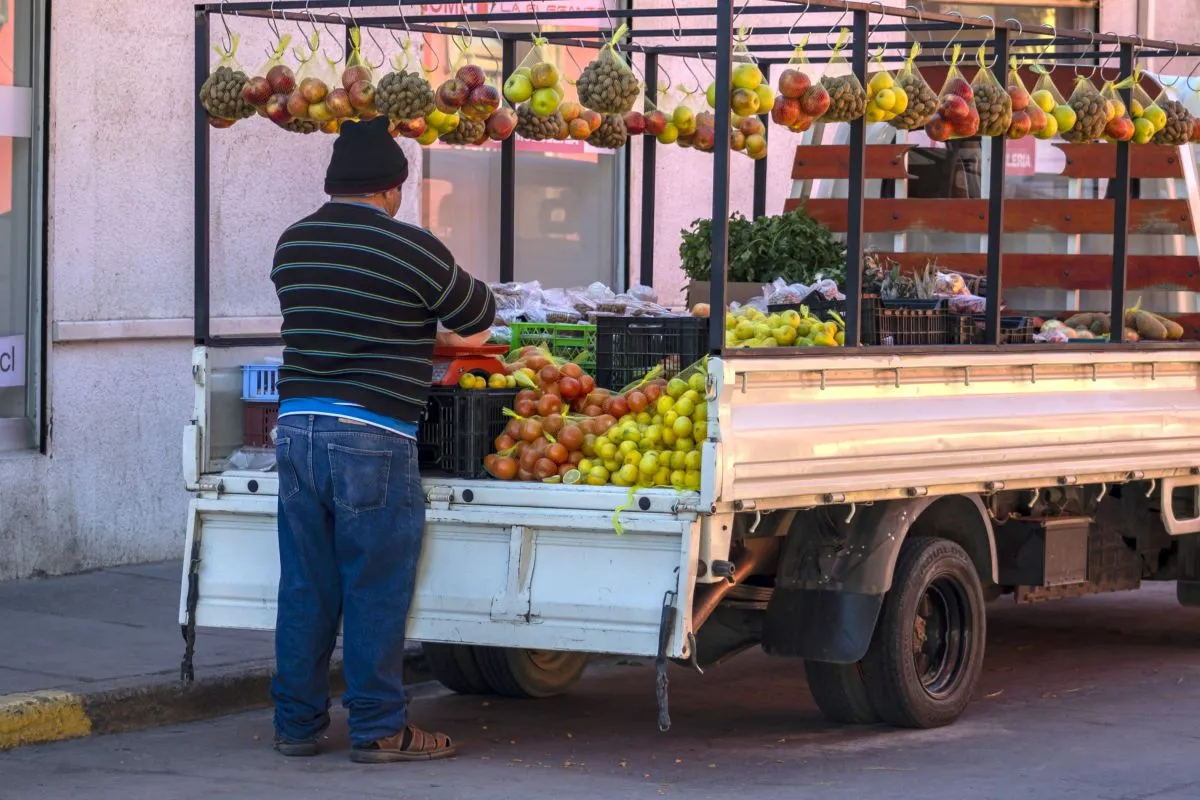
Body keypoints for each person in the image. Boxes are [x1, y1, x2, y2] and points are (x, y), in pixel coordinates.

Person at [268, 116, 496, 763]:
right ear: (393, 188)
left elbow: (337, 318)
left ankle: (297, 726)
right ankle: (377, 730)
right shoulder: (410, 248)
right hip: (371, 434)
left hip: (297, 430)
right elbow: (478, 316)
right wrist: (428, 323)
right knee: (375, 586)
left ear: (333, 183)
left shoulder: (292, 244)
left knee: (305, 586)